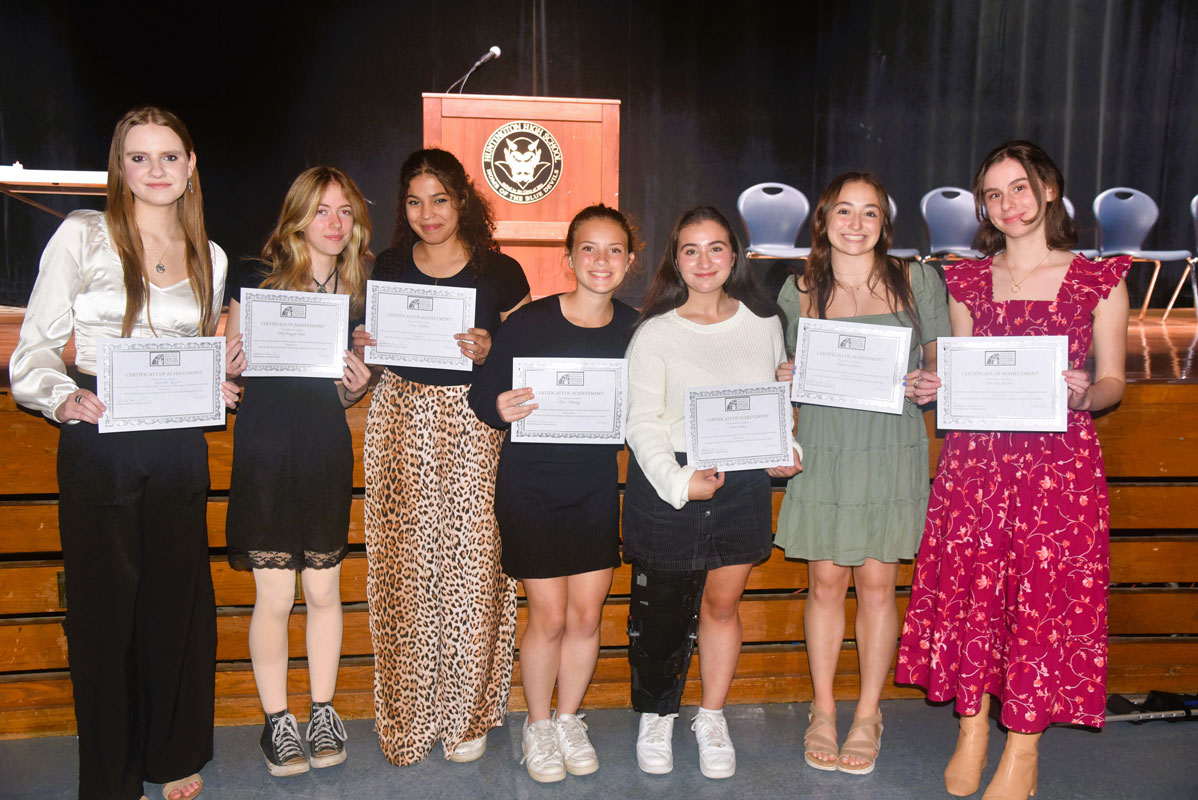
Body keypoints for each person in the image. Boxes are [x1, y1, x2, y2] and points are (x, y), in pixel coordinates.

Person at [8, 107, 238, 800]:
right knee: (107, 616)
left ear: (191, 164)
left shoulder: (213, 255)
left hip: (176, 448)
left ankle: (170, 754)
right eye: (139, 158)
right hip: (100, 436)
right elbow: (34, 350)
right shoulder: (81, 235)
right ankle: (110, 776)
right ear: (119, 166)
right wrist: (60, 397)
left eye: (169, 156)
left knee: (176, 605)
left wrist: (221, 378)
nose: (156, 170)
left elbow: (195, 355)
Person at [896, 140, 1131, 800]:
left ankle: (1022, 750)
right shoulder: (966, 280)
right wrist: (935, 385)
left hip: (1059, 471)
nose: (1008, 204)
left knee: (1042, 603)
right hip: (977, 466)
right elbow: (964, 373)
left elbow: (1114, 380)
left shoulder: (1099, 277)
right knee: (978, 596)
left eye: (1019, 188)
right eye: (993, 194)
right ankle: (972, 731)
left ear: (1049, 189)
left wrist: (1090, 392)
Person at [354, 148, 531, 766]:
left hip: (474, 421)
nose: (428, 213)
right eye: (414, 201)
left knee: (475, 567)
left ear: (463, 201)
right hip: (399, 418)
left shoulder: (502, 271)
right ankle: (410, 710)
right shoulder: (389, 265)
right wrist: (365, 346)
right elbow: (370, 361)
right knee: (405, 567)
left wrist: (491, 349)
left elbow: (519, 361)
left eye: (440, 198)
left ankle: (468, 712)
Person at [773, 173, 950, 776]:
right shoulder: (796, 288)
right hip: (824, 443)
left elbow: (938, 358)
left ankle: (869, 713)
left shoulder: (917, 279)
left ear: (884, 224)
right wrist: (784, 375)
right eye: (843, 211)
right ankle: (823, 710)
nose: (855, 224)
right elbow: (783, 374)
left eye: (869, 213)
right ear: (822, 220)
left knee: (878, 587)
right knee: (825, 584)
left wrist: (931, 381)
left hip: (890, 444)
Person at [621, 206, 801, 780]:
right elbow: (641, 421)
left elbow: (775, 414)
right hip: (669, 479)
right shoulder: (655, 331)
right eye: (691, 250)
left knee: (722, 607)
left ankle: (711, 715)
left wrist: (786, 454)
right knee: (663, 614)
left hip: (740, 480)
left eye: (716, 248)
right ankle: (657, 715)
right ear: (676, 260)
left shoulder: (764, 322)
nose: (704, 261)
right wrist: (679, 482)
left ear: (735, 255)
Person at [468, 204, 639, 783]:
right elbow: (482, 395)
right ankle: (537, 726)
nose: (600, 260)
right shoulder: (530, 322)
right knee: (547, 616)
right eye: (587, 248)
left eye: (613, 249)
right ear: (568, 258)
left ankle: (569, 718)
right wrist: (500, 405)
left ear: (630, 261)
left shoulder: (639, 329)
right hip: (530, 486)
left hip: (593, 489)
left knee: (587, 616)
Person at [223, 167, 373, 777]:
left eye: (344, 212)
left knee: (324, 590)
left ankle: (321, 710)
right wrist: (225, 364)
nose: (334, 223)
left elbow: (336, 393)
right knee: (276, 594)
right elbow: (232, 371)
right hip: (264, 448)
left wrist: (357, 386)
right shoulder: (254, 279)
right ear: (297, 217)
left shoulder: (358, 294)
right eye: (321, 211)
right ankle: (277, 721)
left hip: (322, 449)